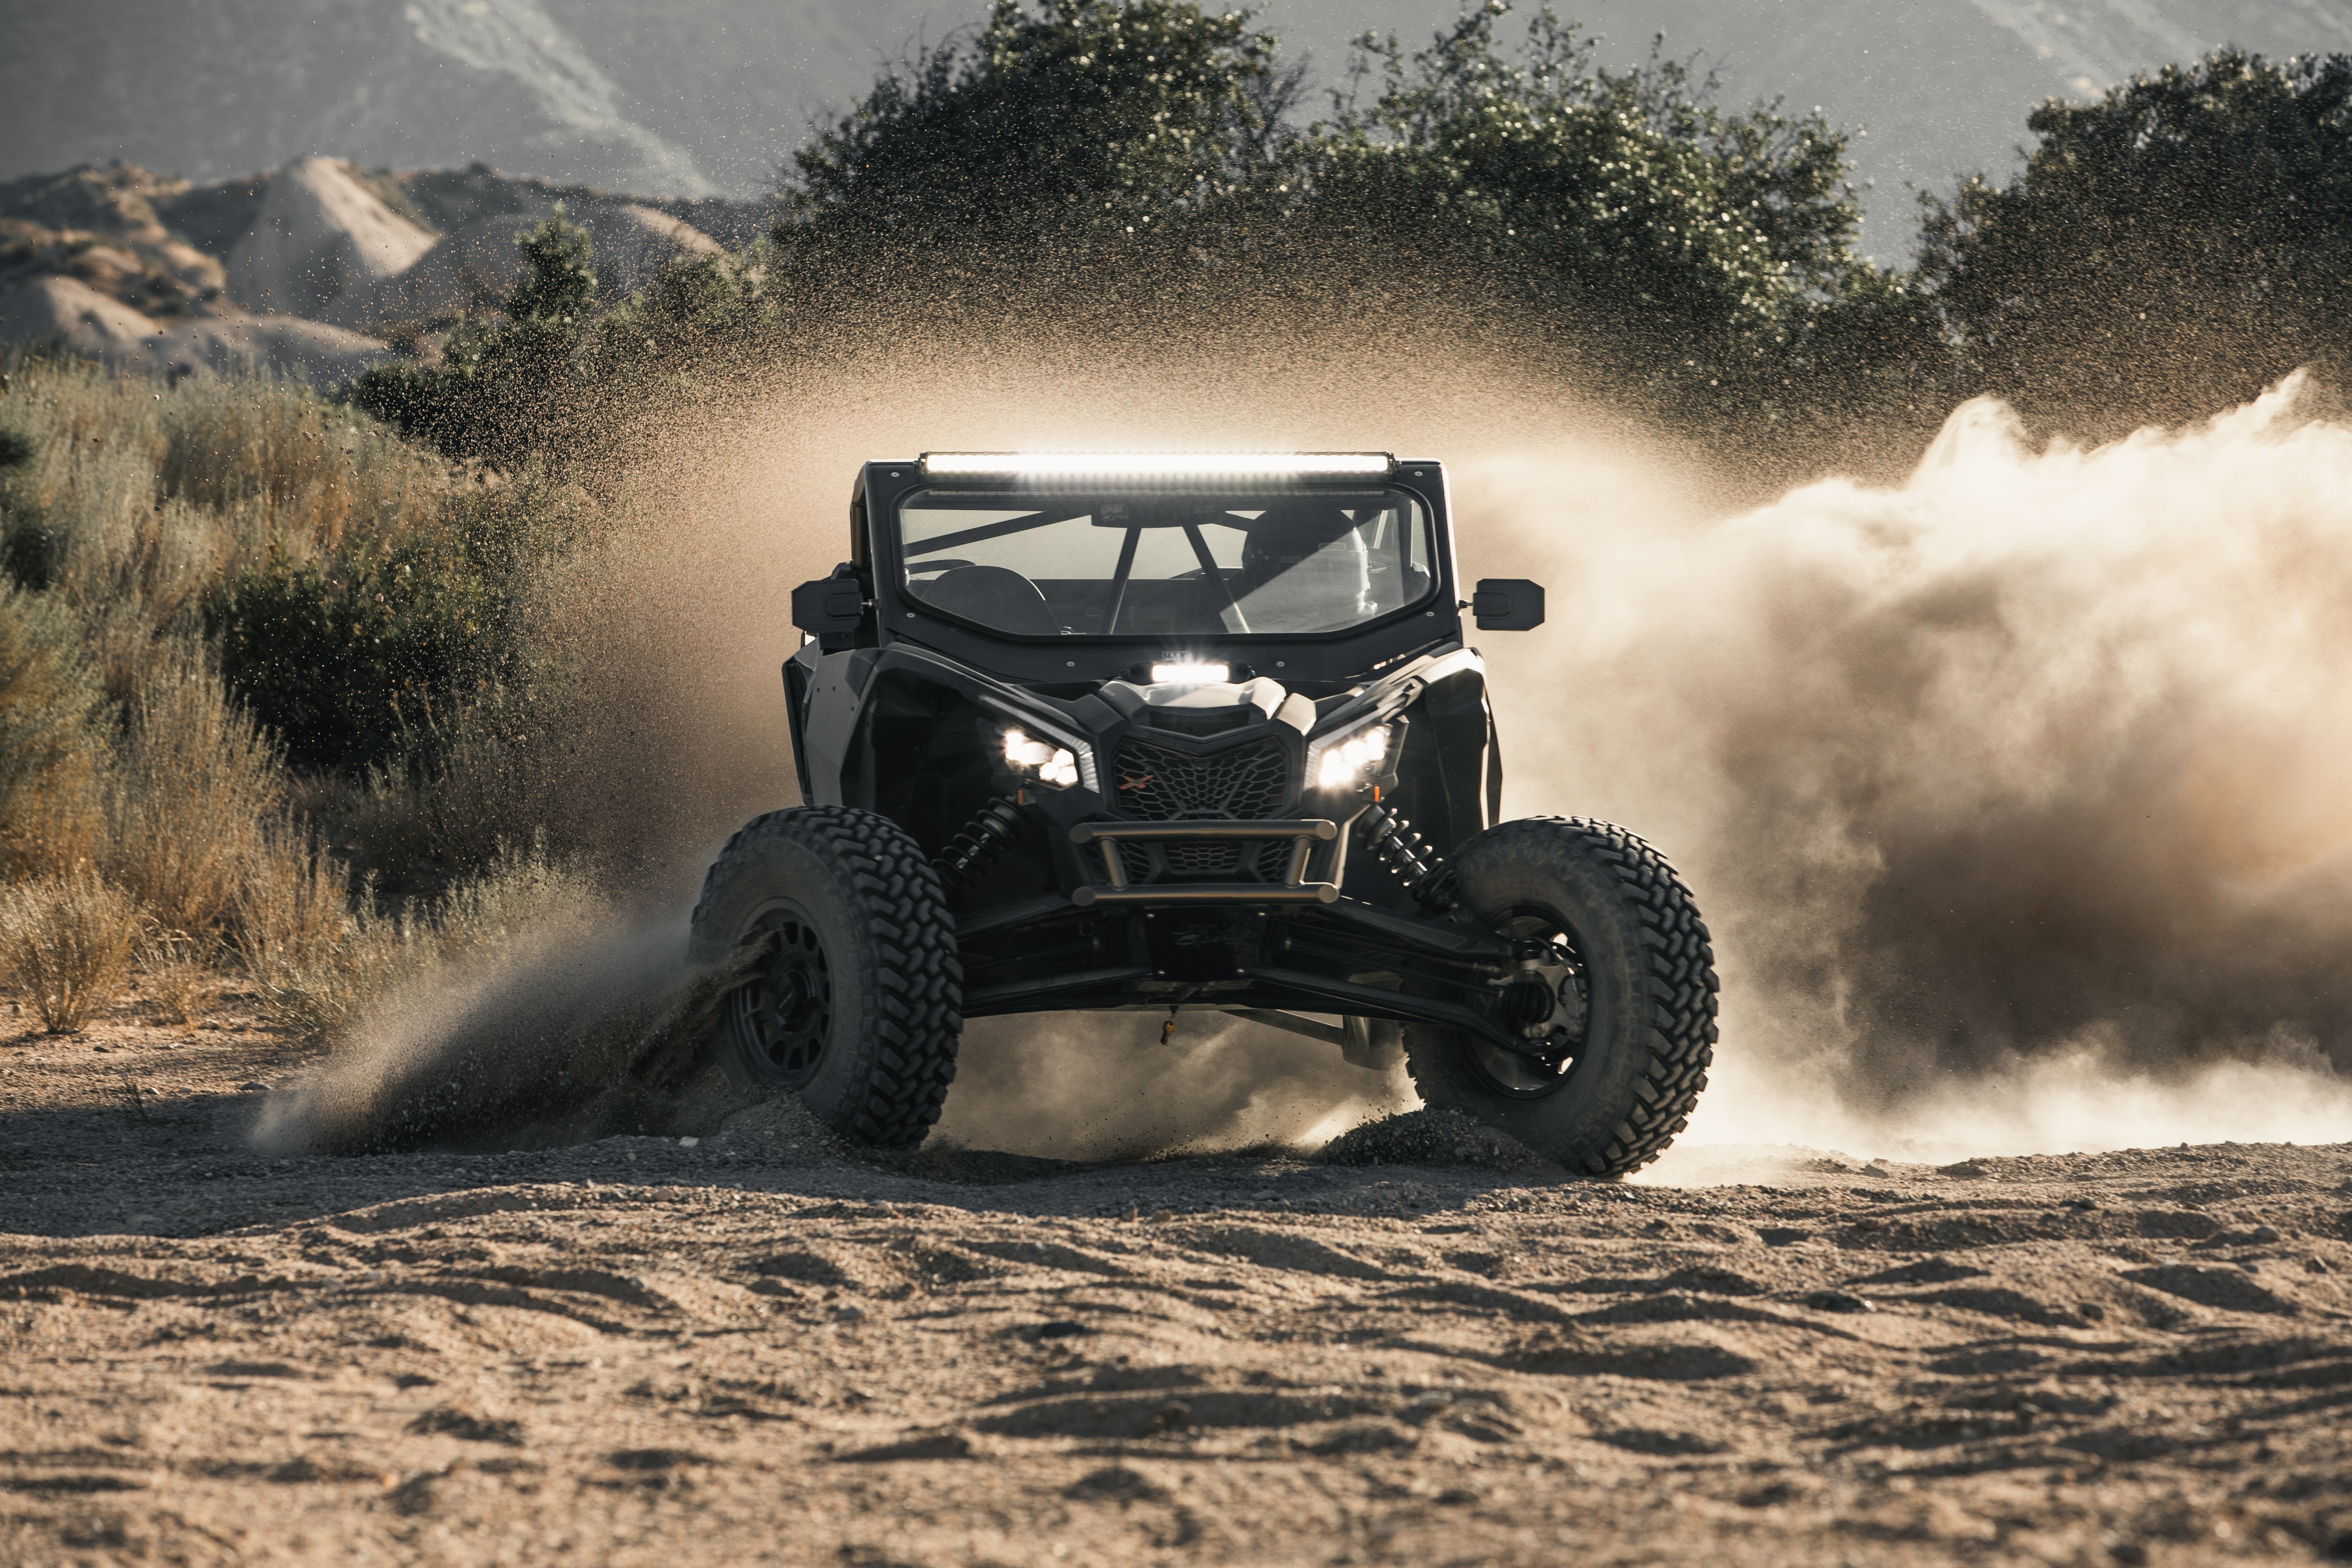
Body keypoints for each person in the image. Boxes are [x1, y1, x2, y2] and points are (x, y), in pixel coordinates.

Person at [1226, 500, 1372, 633]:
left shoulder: (1385, 623)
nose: (1324, 583)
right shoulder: (1381, 624)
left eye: (1340, 568)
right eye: (1306, 573)